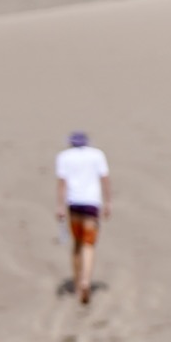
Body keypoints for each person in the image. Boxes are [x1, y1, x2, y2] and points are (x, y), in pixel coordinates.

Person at [53, 130, 110, 305]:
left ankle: (78, 284)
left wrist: (60, 206)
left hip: (74, 204)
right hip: (91, 204)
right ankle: (86, 280)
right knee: (89, 245)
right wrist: (108, 202)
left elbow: (62, 183)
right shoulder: (97, 155)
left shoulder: (64, 157)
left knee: (77, 244)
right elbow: (105, 179)